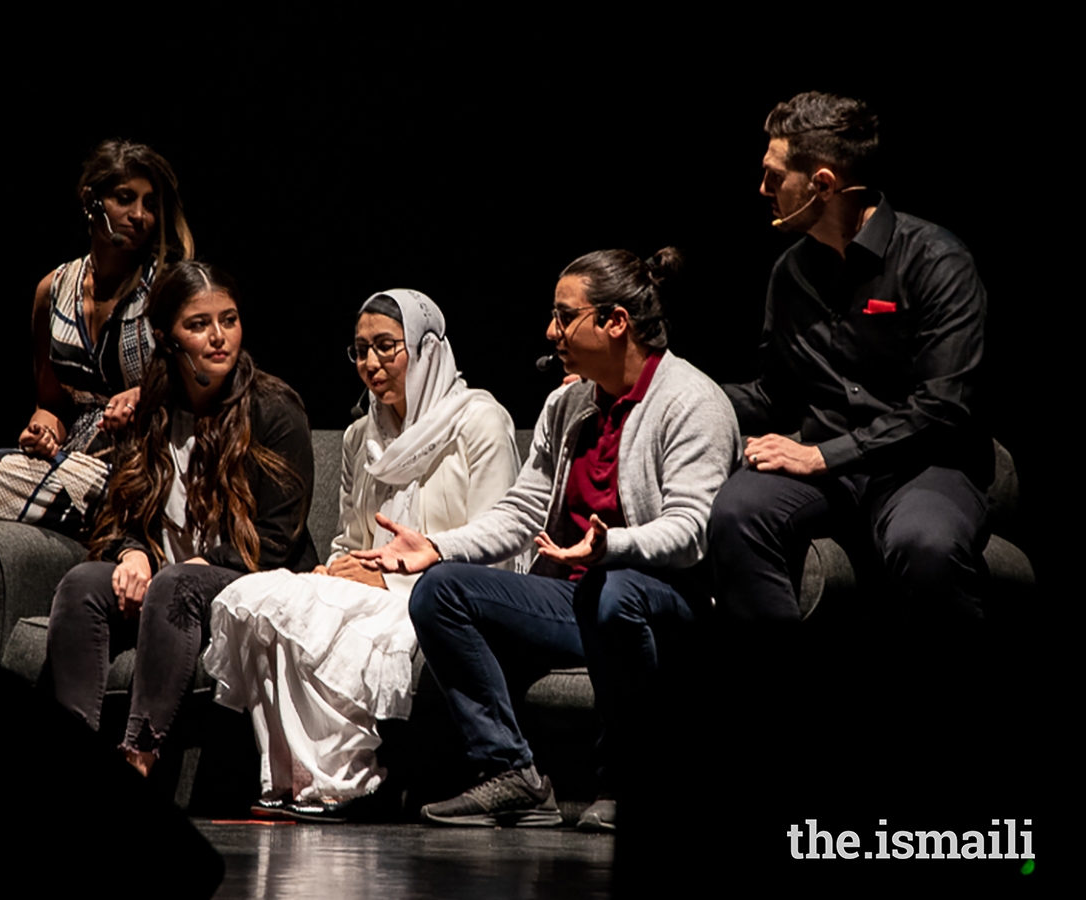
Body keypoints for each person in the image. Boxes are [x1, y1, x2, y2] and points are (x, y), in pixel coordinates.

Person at [353, 249, 739, 830]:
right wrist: (439, 547)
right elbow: (523, 508)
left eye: (564, 316)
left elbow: (692, 530)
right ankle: (513, 774)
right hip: (578, 596)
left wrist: (613, 548)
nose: (550, 330)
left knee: (615, 593)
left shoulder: (693, 402)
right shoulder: (569, 401)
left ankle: (630, 784)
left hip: (665, 597)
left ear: (615, 322)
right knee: (440, 590)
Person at [203, 289, 522, 823]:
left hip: (443, 594)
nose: (371, 364)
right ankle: (292, 780)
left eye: (386, 348)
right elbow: (352, 540)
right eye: (359, 350)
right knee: (260, 600)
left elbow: (501, 555)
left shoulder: (479, 422)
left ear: (426, 349)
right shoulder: (360, 436)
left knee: (332, 622)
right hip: (370, 585)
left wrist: (387, 580)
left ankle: (345, 784)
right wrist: (342, 569)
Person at [0, 139, 195, 619]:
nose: (140, 215)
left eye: (150, 204)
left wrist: (145, 393)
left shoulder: (169, 287)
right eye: (125, 198)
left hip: (139, 469)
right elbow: (52, 403)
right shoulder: (54, 289)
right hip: (70, 466)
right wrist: (43, 430)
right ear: (91, 201)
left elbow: (202, 383)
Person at [709, 91, 992, 622]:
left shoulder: (936, 260)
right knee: (736, 511)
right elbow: (773, 393)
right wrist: (656, 387)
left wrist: (823, 456)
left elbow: (943, 406)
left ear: (822, 184)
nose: (763, 189)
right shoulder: (791, 274)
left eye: (775, 177)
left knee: (925, 543)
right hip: (830, 471)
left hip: (923, 465)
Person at [46, 260, 316, 776]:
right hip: (167, 575)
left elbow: (276, 541)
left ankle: (138, 758)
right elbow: (118, 509)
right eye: (198, 324)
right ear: (165, 337)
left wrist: (180, 565)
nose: (219, 337)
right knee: (82, 583)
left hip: (251, 580)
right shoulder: (152, 408)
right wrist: (131, 552)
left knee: (177, 585)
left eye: (229, 319)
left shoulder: (276, 409)